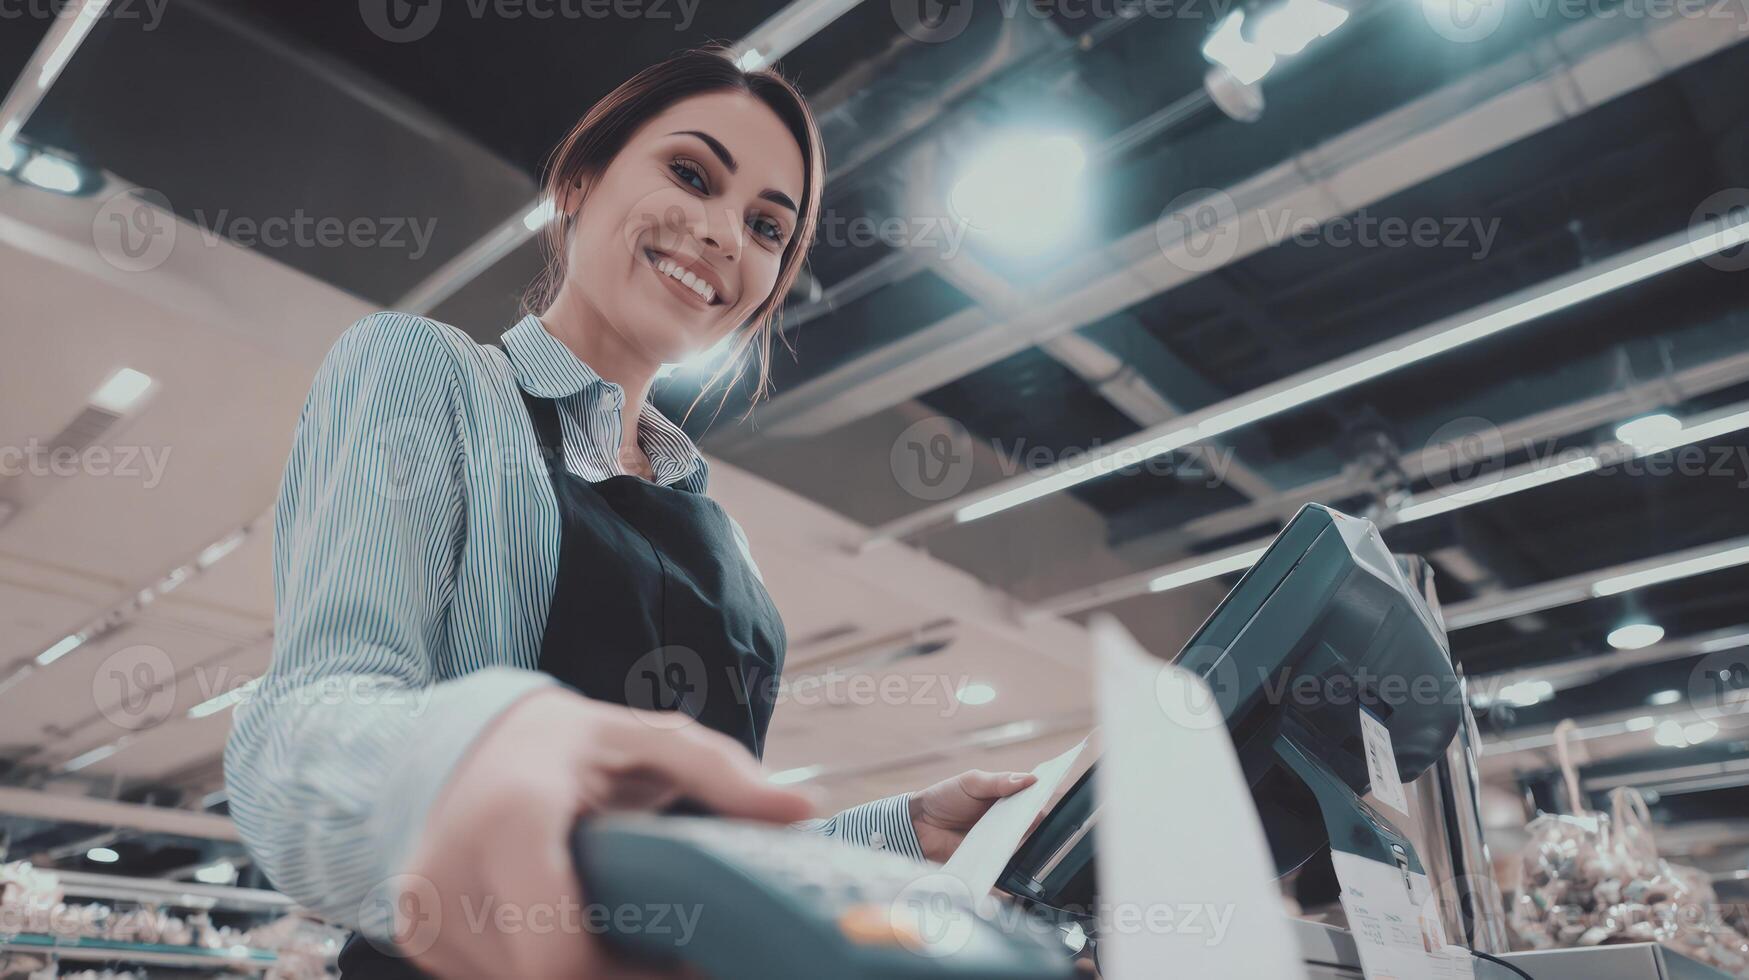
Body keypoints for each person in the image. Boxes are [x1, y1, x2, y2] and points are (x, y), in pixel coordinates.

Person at [223, 45, 1037, 979]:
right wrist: (472, 754)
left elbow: (702, 844)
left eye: (768, 227)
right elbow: (297, 734)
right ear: (578, 179)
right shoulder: (429, 376)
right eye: (692, 175)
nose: (726, 234)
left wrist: (900, 832)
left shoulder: (720, 531)